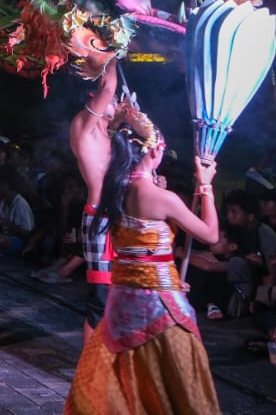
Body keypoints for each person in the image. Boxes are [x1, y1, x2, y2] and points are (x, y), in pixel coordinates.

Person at [65, 98, 220, 413]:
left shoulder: (114, 190)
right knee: (173, 389)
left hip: (124, 305)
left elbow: (140, 254)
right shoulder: (161, 198)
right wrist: (205, 187)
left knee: (130, 384)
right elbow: (211, 236)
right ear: (153, 151)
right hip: (156, 308)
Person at [67, 56, 121, 338]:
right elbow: (110, 86)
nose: (115, 100)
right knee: (100, 296)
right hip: (99, 215)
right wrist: (114, 52)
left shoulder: (105, 134)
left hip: (114, 215)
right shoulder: (84, 125)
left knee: (115, 293)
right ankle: (91, 365)